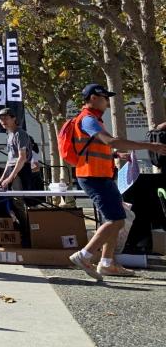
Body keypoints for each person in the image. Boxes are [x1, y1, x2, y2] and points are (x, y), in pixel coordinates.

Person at [67, 84, 166, 280]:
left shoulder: (92, 119)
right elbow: (110, 141)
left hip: (100, 175)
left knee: (117, 218)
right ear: (94, 98)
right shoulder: (88, 119)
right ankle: (85, 255)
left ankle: (107, 262)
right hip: (93, 177)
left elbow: (99, 147)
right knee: (116, 220)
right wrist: (149, 145)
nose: (107, 101)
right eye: (105, 97)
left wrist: (115, 155)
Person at [0, 109, 37, 192]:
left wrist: (10, 178)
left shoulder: (20, 134)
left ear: (14, 118)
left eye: (6, 118)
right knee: (13, 200)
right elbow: (10, 159)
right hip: (12, 169)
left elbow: (22, 158)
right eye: (1, 119)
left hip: (21, 170)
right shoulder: (9, 134)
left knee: (20, 198)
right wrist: (2, 178)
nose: (3, 121)